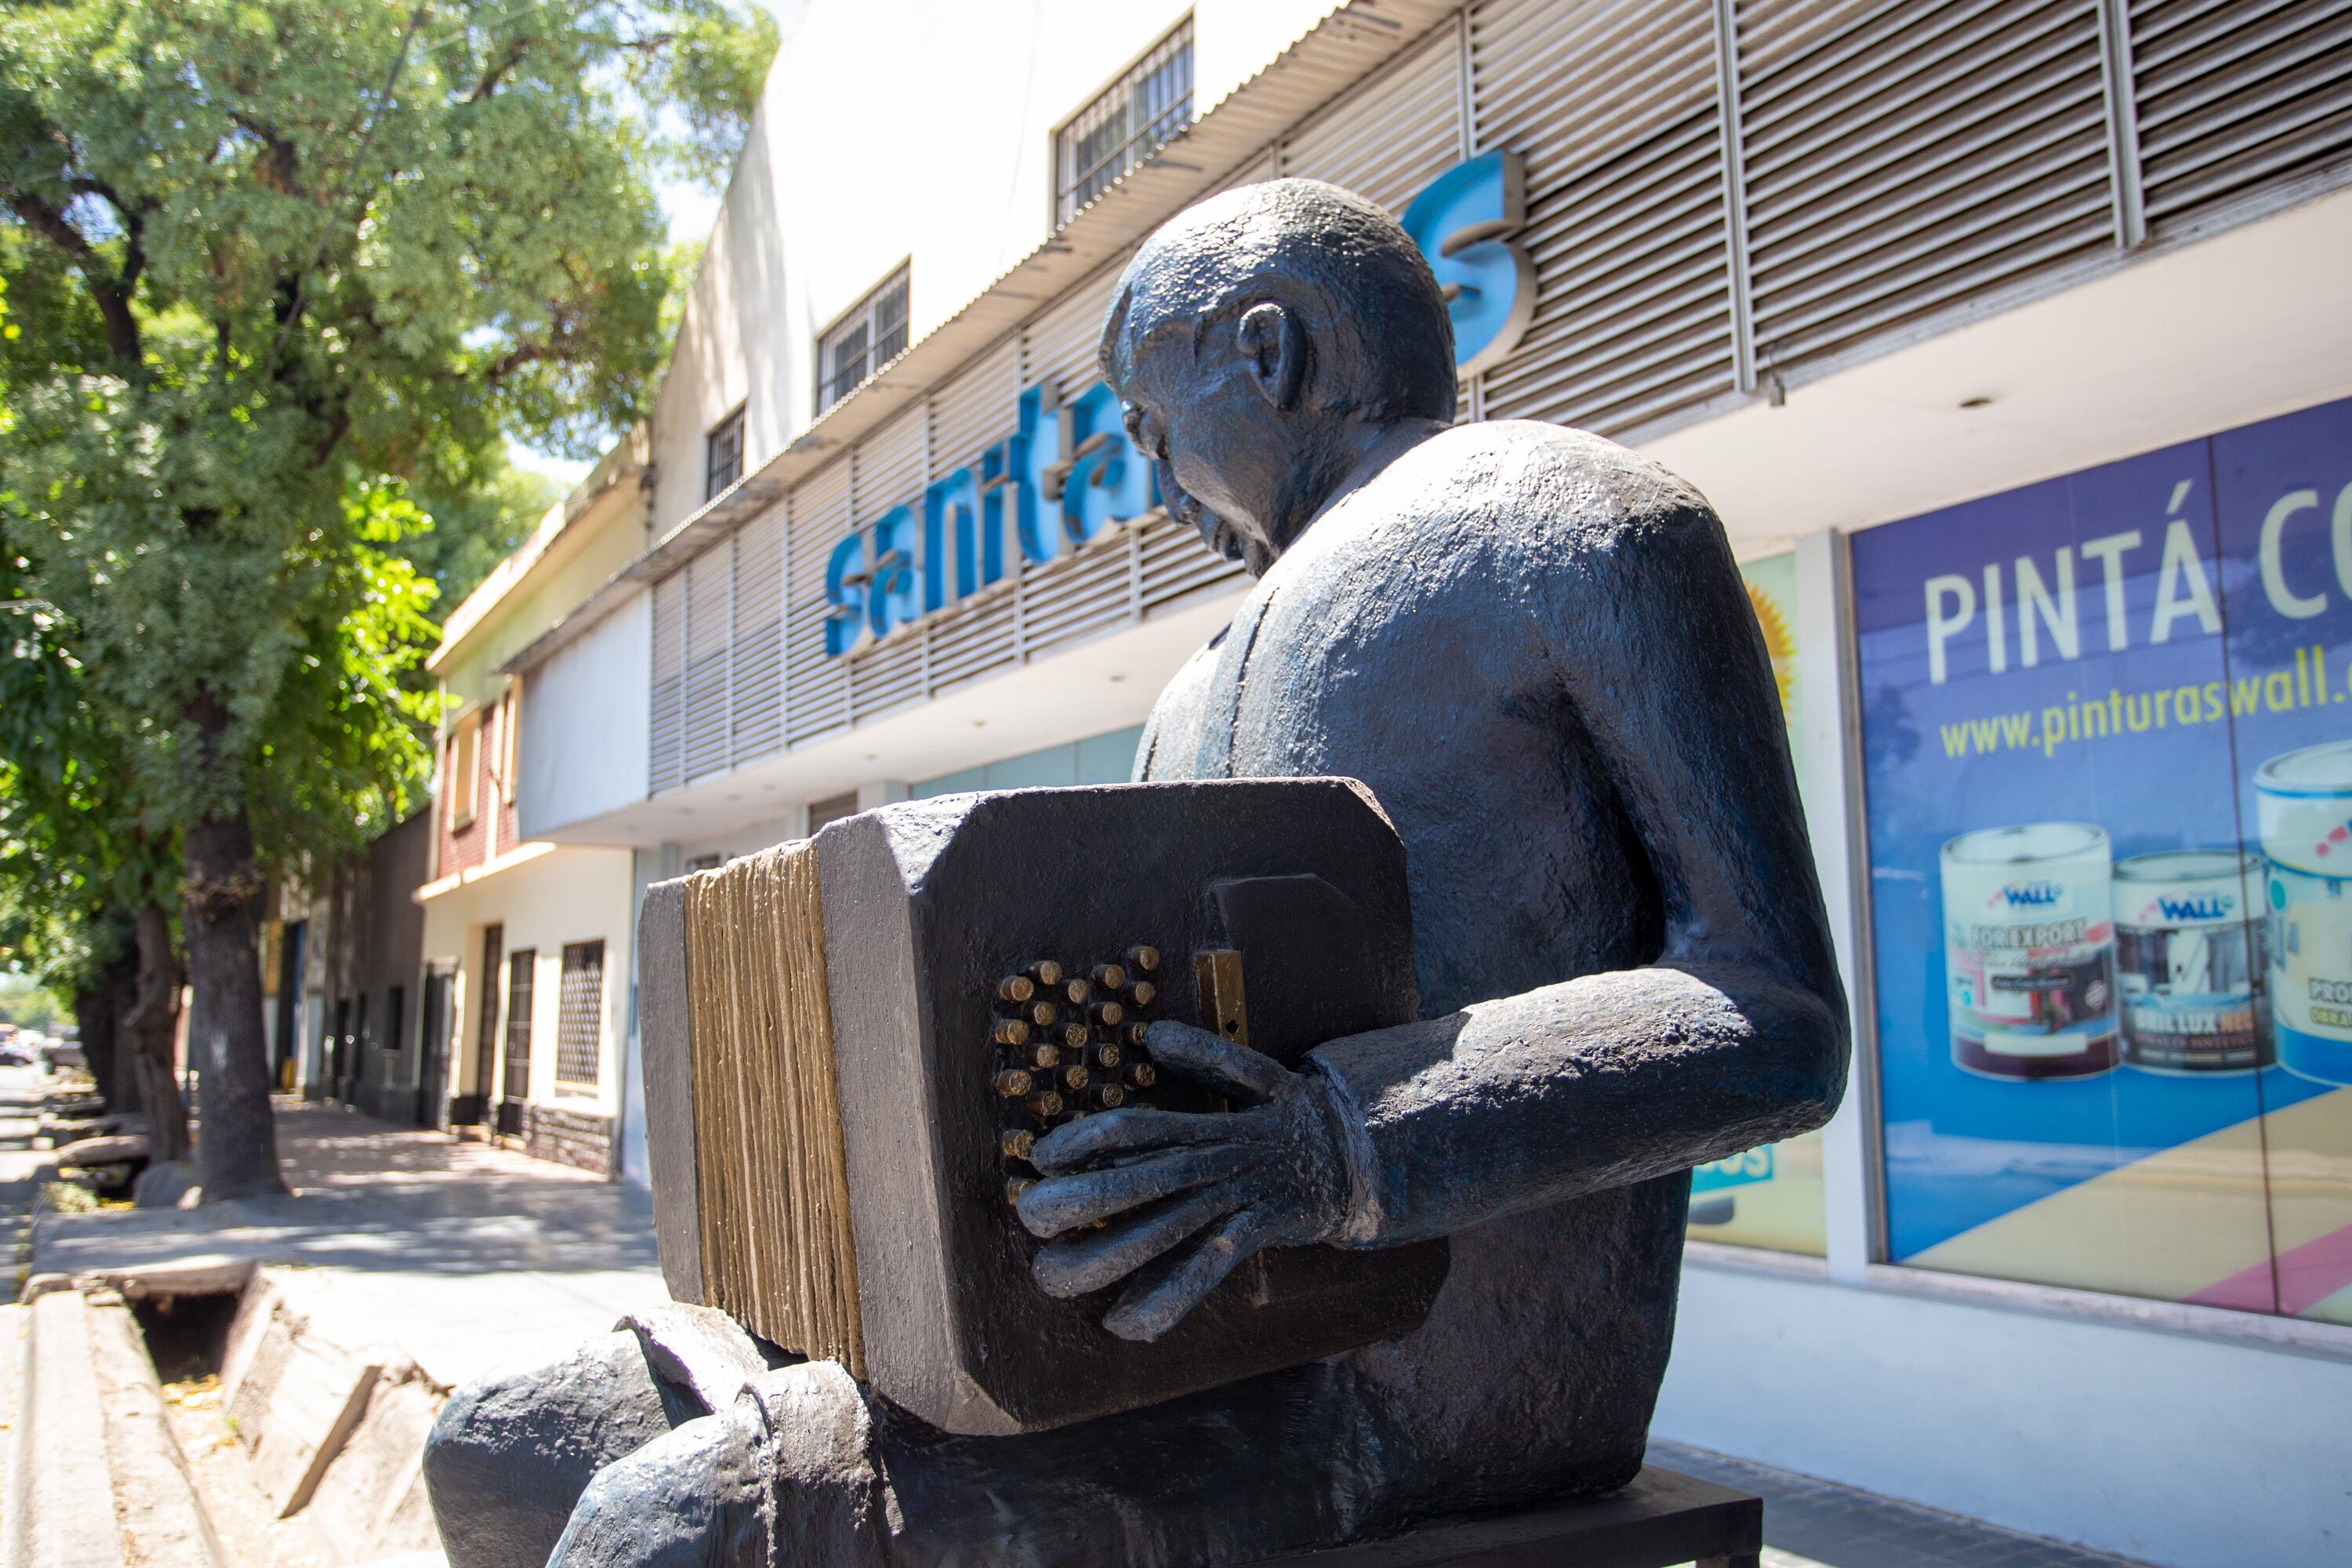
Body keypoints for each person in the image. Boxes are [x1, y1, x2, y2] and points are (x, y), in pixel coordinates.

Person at [426, 177, 1846, 1568]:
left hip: (1421, 1386)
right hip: (1177, 1322)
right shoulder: (1192, 688)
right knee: (501, 1443)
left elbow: (1776, 1017)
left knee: (669, 1534)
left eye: (1156, 428)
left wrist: (1337, 1150)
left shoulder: (1585, 527)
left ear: (1269, 352)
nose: (1158, 485)